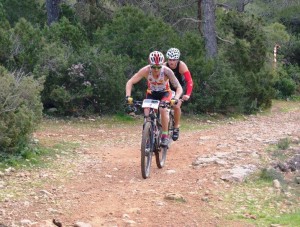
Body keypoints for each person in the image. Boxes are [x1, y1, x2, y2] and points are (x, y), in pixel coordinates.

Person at [126, 51, 183, 147]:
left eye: (158, 67)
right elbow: (130, 82)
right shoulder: (145, 70)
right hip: (152, 93)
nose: (156, 69)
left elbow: (179, 87)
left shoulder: (167, 71)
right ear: (150, 65)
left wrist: (176, 98)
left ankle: (165, 135)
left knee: (163, 109)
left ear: (162, 65)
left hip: (165, 93)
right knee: (147, 113)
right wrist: (128, 96)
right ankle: (148, 136)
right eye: (153, 67)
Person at [164, 48, 193, 141]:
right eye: (170, 59)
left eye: (174, 60)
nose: (171, 62)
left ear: (177, 60)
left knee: (176, 106)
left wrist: (188, 94)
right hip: (167, 88)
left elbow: (189, 81)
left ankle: (176, 127)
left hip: (178, 88)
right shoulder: (164, 65)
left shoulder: (181, 65)